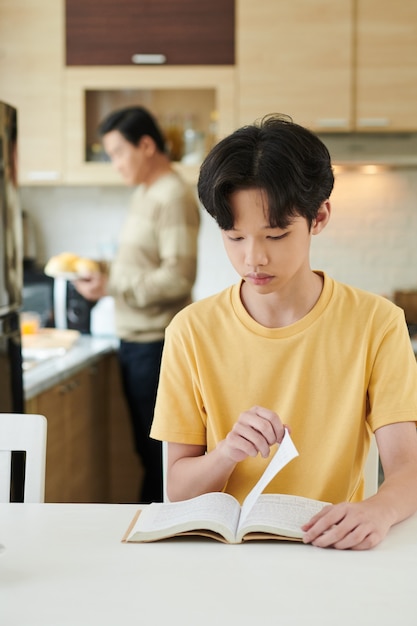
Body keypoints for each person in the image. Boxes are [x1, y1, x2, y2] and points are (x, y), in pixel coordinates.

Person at [150, 113, 417, 549]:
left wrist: (378, 510)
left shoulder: (377, 324)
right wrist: (226, 454)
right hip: (223, 555)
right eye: (235, 237)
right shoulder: (191, 331)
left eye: (274, 236)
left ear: (320, 217)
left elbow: (408, 470)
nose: (253, 258)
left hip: (331, 550)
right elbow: (177, 489)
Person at [74, 106, 200, 503]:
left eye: (117, 153)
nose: (115, 165)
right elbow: (142, 265)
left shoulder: (173, 195)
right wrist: (104, 272)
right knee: (148, 456)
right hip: (137, 344)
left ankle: (163, 539)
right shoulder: (145, 193)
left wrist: (113, 284)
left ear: (146, 145)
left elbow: (178, 278)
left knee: (160, 459)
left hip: (157, 346)